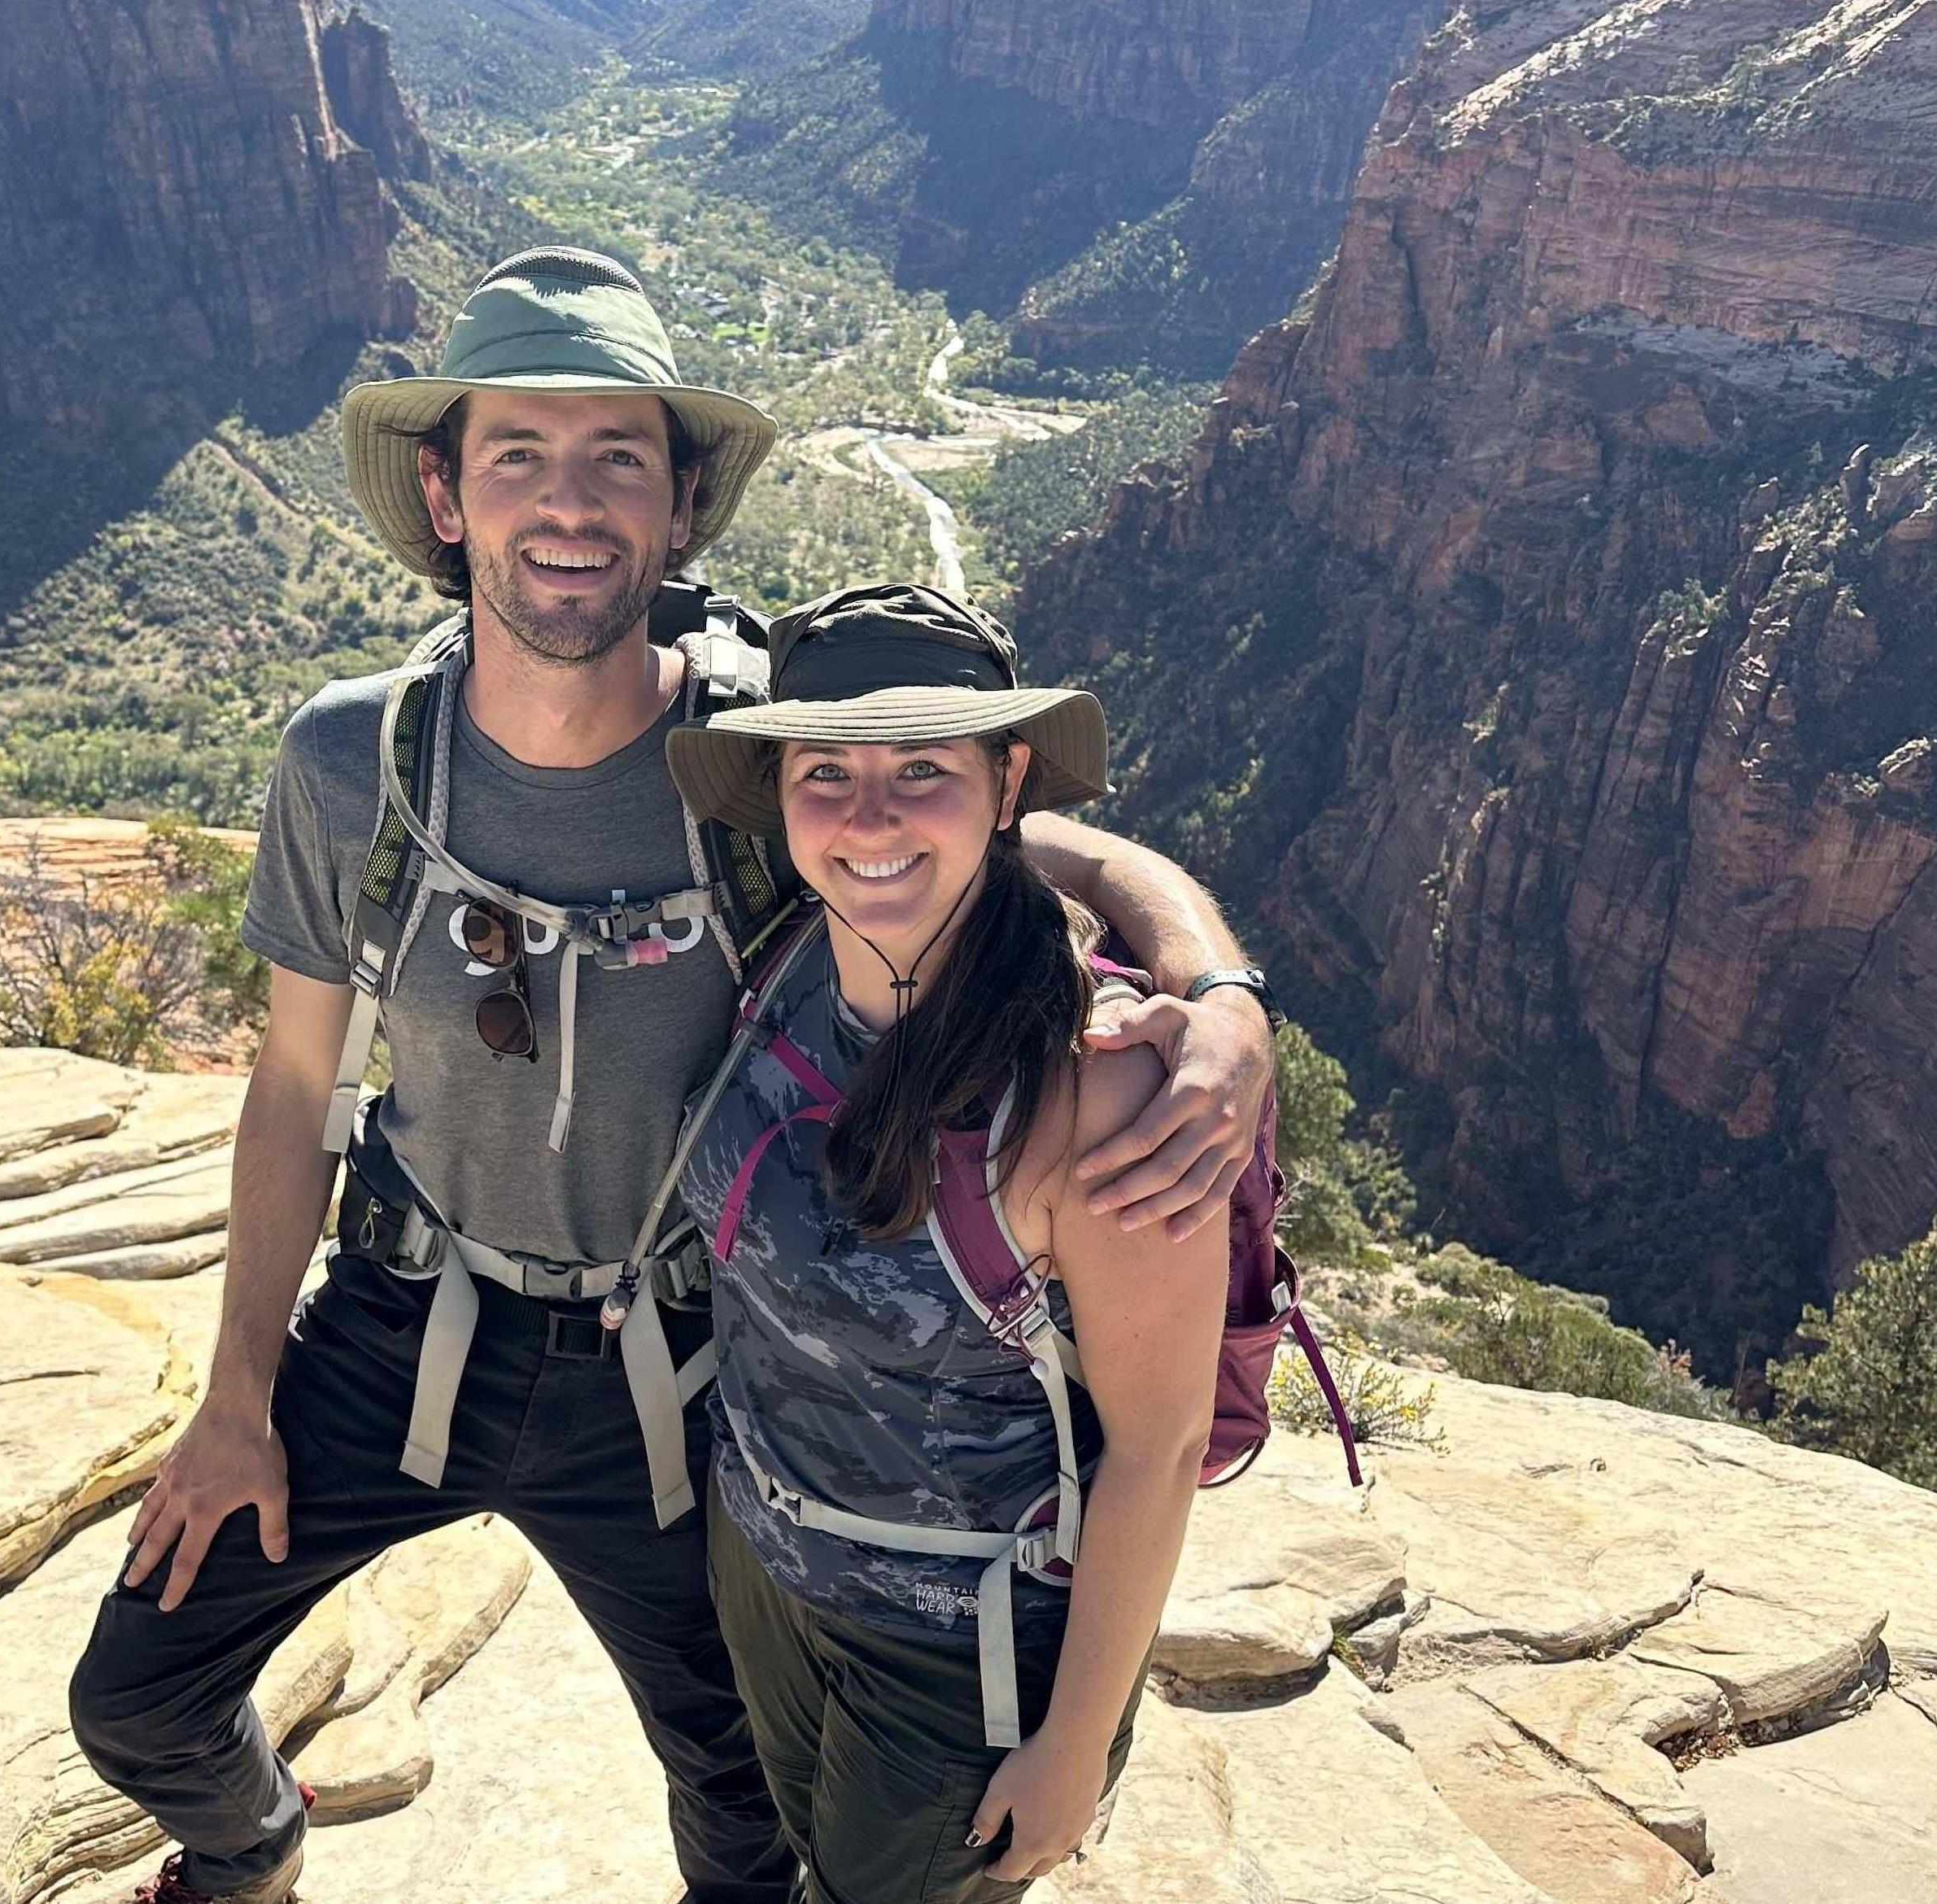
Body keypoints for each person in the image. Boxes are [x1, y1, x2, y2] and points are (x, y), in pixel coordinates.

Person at [67, 248, 1285, 1904]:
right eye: (516, 456)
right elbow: (292, 1085)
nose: (565, 506)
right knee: (131, 1695)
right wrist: (231, 1397)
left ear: (679, 499)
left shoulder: (754, 742)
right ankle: (248, 1846)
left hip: (669, 1368)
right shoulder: (346, 758)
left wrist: (1213, 988)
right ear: (442, 490)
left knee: (736, 1818)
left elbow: (993, 819)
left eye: (614, 458)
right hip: (393, 1323)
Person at [663, 584, 1228, 1900]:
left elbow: (1159, 1447)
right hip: (762, 1559)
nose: (867, 816)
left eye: (921, 766)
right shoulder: (796, 939)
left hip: (956, 1651)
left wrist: (1073, 1743)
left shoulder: (1095, 1090)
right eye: (826, 770)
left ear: (1002, 775)